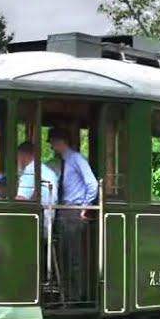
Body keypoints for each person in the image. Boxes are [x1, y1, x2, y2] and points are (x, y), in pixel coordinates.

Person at [48, 127, 98, 302]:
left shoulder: (76, 159)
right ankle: (67, 294)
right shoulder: (61, 162)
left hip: (72, 211)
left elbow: (92, 184)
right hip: (63, 211)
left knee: (74, 257)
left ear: (59, 142)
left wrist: (84, 207)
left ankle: (76, 296)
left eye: (52, 143)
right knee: (64, 255)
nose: (51, 147)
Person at [16, 141, 59, 232]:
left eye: (18, 157)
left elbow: (21, 199)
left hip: (37, 224)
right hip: (48, 221)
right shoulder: (47, 170)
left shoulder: (31, 170)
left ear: (22, 156)